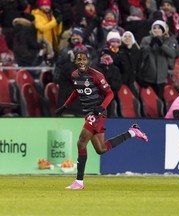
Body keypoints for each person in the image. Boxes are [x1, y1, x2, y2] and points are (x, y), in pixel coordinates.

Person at [56, 48, 148, 190]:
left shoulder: (96, 75)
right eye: (78, 59)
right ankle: (132, 132)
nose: (81, 62)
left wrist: (101, 107)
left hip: (97, 112)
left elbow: (110, 93)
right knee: (101, 149)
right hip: (88, 113)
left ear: (88, 61)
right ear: (75, 61)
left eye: (84, 59)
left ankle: (79, 182)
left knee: (81, 142)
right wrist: (65, 106)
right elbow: (77, 90)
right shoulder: (74, 75)